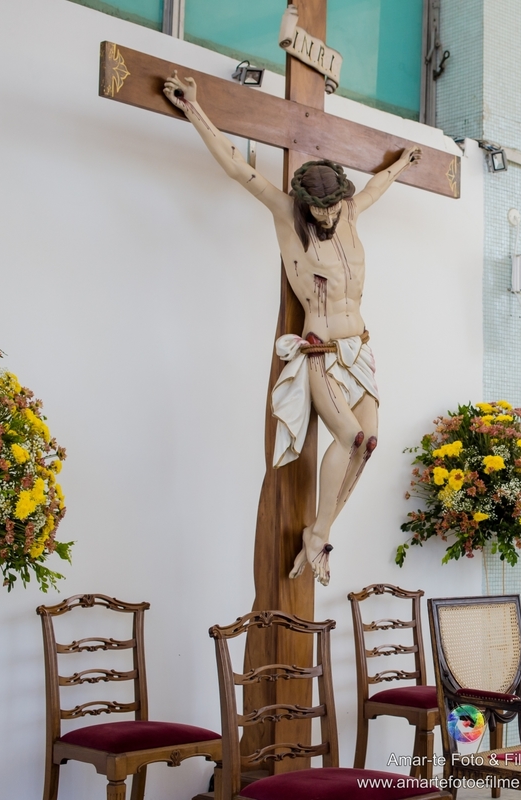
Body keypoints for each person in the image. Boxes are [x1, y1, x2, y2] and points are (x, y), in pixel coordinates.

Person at [163, 72, 422, 585]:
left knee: (370, 442)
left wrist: (402, 163)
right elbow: (238, 168)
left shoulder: (350, 211)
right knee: (349, 437)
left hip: (359, 348)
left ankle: (318, 532)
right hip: (320, 351)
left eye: (331, 205)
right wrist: (194, 109)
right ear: (303, 201)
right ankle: (319, 535)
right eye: (318, 207)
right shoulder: (287, 214)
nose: (325, 214)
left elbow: (377, 185)